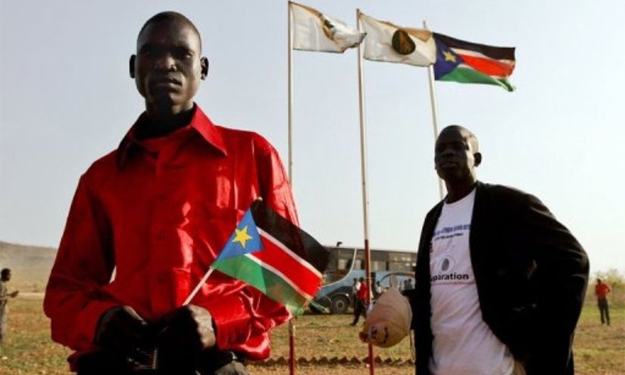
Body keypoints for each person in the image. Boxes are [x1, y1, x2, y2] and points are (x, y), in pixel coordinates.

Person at [44, 11, 298, 375]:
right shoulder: (100, 178)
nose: (165, 64)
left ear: (203, 68)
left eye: (182, 53)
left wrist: (218, 321)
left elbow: (285, 280)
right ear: (134, 67)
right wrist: (100, 320)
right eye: (151, 53)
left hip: (213, 365)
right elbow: (66, 291)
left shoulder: (253, 157)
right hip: (117, 364)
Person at [406, 125, 589, 375]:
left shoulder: (509, 206)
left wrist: (534, 325)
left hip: (497, 367)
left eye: (458, 146)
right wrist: (401, 306)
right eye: (440, 150)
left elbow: (573, 262)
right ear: (434, 163)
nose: (447, 153)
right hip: (440, 367)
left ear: (476, 158)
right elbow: (436, 292)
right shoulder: (432, 218)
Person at [0, 268, 19, 345]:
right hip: (1, 309)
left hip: (3, 309)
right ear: (5, 275)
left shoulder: (3, 284)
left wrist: (10, 295)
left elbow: (3, 295)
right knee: (1, 325)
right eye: (9, 275)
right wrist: (10, 296)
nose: (10, 276)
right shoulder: (1, 284)